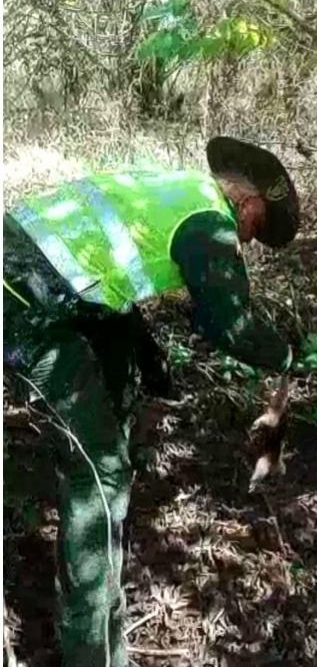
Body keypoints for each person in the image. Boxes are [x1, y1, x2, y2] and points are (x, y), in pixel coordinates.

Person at [3, 137, 299, 667]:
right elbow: (229, 325)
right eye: (256, 230)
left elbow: (111, 278)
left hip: (34, 281)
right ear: (250, 203)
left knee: (108, 437)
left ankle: (106, 634)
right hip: (23, 300)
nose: (247, 242)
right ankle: (92, 655)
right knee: (101, 469)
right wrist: (288, 355)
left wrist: (150, 368)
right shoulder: (209, 221)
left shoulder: (174, 190)